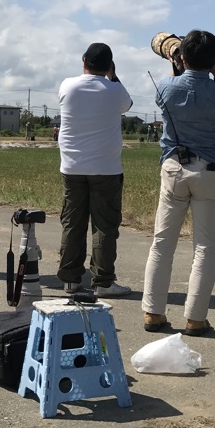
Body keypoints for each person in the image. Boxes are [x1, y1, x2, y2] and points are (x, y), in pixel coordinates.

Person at [141, 30, 215, 336]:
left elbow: (170, 92)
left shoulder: (165, 87)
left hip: (174, 168)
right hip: (210, 173)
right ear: (214, 60)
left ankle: (153, 313)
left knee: (162, 244)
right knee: (204, 248)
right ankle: (196, 319)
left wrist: (179, 66)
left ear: (182, 58)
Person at [56, 43, 134, 297]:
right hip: (106, 168)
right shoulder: (115, 90)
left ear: (84, 61)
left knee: (72, 222)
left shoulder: (67, 85)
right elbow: (127, 105)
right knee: (104, 225)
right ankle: (103, 282)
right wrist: (113, 76)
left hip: (72, 166)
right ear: (109, 66)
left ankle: (70, 279)